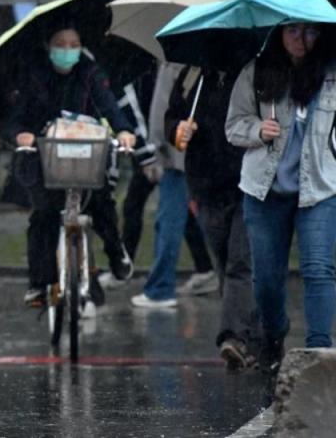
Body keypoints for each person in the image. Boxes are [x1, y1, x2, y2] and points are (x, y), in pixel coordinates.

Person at [0, 26, 137, 307]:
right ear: (49, 47)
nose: (67, 49)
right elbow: (12, 120)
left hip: (85, 157)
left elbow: (109, 106)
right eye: (60, 43)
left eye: (74, 43)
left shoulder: (90, 73)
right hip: (42, 159)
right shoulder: (32, 75)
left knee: (102, 205)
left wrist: (124, 131)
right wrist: (20, 135)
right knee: (43, 217)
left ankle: (116, 251)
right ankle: (39, 285)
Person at [226, 22, 336, 376]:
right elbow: (233, 125)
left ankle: (320, 354)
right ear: (279, 34)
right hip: (264, 191)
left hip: (319, 188)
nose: (301, 41)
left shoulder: (331, 73)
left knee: (319, 270)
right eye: (292, 32)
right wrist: (257, 130)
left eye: (310, 32)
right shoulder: (256, 71)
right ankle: (274, 334)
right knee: (267, 280)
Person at [167, 65, 260, 370]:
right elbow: (173, 117)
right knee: (223, 260)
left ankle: (234, 337)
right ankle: (254, 333)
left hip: (247, 182)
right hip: (205, 183)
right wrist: (177, 130)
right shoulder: (192, 75)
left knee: (239, 262)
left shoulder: (254, 72)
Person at [116, 64, 214, 296]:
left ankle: (160, 289)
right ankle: (207, 269)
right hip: (200, 154)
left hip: (175, 155)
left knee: (168, 220)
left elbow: (161, 113)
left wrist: (156, 153)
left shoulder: (172, 64)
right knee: (186, 215)